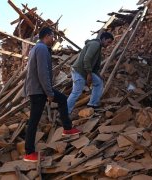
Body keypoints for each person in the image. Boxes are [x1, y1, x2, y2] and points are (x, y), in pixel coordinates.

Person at [23, 27, 80, 162]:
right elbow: (42, 73)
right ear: (47, 36)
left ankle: (67, 128)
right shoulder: (41, 49)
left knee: (62, 100)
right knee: (34, 121)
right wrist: (49, 92)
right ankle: (29, 153)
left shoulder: (36, 49)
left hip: (37, 89)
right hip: (39, 90)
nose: (54, 39)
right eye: (52, 36)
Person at [67, 32, 114, 114]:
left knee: (99, 82)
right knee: (76, 92)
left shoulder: (98, 47)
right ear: (103, 39)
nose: (109, 44)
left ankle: (92, 104)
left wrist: (98, 75)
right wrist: (89, 74)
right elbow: (87, 59)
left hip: (84, 70)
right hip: (79, 71)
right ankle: (64, 113)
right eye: (108, 42)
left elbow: (95, 66)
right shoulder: (95, 44)